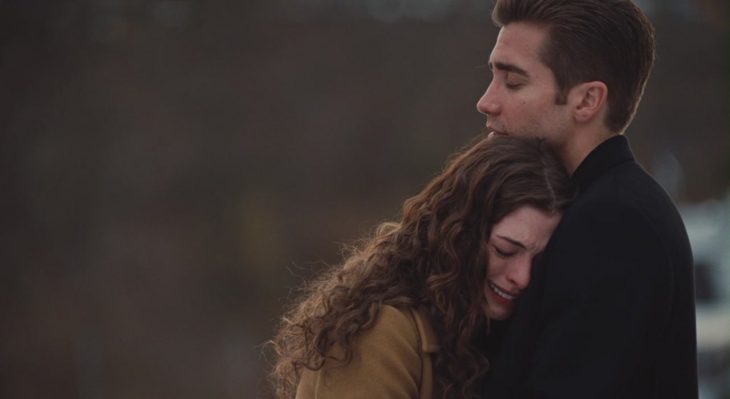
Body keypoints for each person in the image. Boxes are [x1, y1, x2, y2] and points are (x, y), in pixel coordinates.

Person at [475, 0, 698, 398]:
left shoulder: (615, 224)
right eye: (493, 76)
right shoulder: (585, 206)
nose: (487, 101)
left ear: (586, 101)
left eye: (513, 82)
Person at [269, 136, 574, 399]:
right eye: (505, 250)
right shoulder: (381, 330)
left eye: (540, 261)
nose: (522, 277)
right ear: (460, 233)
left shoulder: (470, 330)